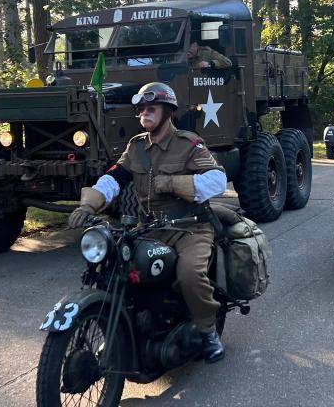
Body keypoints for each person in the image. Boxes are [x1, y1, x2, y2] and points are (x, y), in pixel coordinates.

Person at [67, 82, 229, 363]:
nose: (145, 112)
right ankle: (122, 332)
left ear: (168, 111)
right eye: (141, 108)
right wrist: (88, 203)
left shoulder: (189, 144)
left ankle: (207, 331)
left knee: (189, 275)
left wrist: (174, 183)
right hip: (149, 229)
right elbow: (114, 178)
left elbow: (217, 181)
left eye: (151, 107)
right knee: (115, 271)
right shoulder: (136, 147)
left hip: (190, 228)